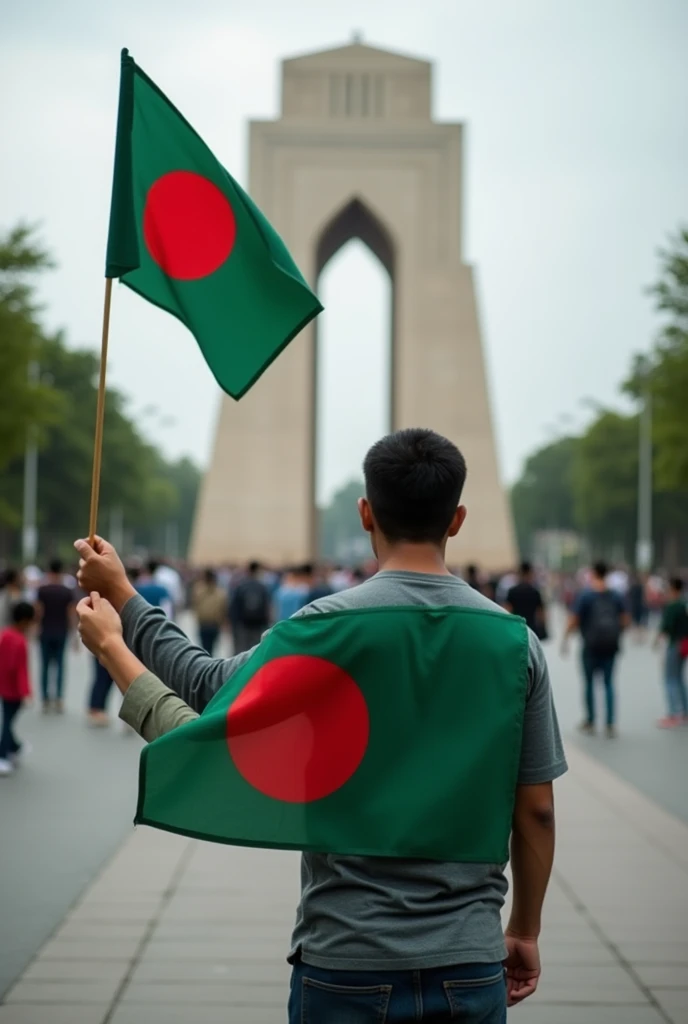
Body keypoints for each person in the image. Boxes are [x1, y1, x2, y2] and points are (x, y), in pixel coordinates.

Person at [75, 427, 567, 1022]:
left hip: (344, 961)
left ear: (365, 513)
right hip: (470, 962)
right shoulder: (515, 644)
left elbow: (207, 691)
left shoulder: (319, 628)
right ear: (457, 519)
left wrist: (122, 613)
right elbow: (536, 810)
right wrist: (526, 929)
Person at [562, 561, 629, 737]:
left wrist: (565, 639)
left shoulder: (586, 595)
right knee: (608, 683)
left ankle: (591, 721)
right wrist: (616, 633)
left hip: (590, 645)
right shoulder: (616, 595)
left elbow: (574, 619)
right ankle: (610, 723)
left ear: (593, 573)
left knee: (589, 683)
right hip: (610, 645)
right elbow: (625, 620)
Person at [36, 558, 76, 713]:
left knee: (45, 665)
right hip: (61, 631)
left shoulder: (42, 590)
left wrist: (34, 629)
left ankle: (45, 698)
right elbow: (71, 613)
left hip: (45, 631)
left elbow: (39, 611)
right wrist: (74, 634)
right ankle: (59, 698)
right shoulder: (67, 591)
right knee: (60, 665)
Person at [0, 601, 36, 776]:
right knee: (7, 722)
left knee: (7, 720)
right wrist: (26, 692)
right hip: (13, 691)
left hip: (3, 685)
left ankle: (16, 747)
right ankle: (3, 755)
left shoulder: (5, 635)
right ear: (25, 621)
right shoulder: (20, 641)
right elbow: (20, 669)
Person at [654, 577, 688, 728]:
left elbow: (665, 628)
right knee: (679, 678)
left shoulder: (673, 606)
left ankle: (674, 713)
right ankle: (685, 712)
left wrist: (656, 641)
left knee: (670, 679)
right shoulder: (684, 604)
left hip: (674, 644)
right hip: (684, 644)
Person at [230, 561, 271, 652]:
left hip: (243, 624)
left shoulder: (241, 586)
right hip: (258, 624)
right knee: (256, 650)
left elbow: (234, 607)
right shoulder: (262, 587)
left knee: (242, 650)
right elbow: (267, 607)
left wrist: (233, 624)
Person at [191, 568, 228, 654]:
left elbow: (223, 608)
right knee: (206, 647)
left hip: (212, 623)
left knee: (209, 648)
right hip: (206, 623)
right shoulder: (218, 592)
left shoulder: (200, 590)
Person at [506, 562, 547, 640]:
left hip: (517, 627)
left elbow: (508, 610)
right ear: (530, 574)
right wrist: (543, 627)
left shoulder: (512, 591)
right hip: (531, 629)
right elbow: (541, 613)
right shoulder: (535, 592)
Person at [87, 657, 114, 726]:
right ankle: (96, 709)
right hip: (103, 651)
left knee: (105, 679)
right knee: (102, 678)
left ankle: (98, 709)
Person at [628, 572, 648, 641]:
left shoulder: (633, 587)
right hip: (640, 606)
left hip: (635, 606)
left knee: (636, 623)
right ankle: (640, 637)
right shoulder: (641, 587)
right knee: (640, 622)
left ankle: (636, 637)